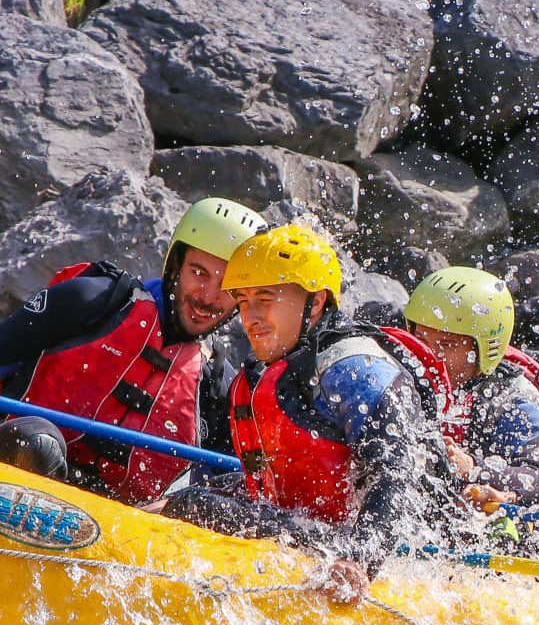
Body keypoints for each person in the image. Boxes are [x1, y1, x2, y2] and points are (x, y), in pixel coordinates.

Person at [158, 223, 450, 604]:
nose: (251, 317)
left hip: (366, 548)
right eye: (244, 302)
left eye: (265, 299)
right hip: (313, 531)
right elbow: (267, 487)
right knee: (198, 494)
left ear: (315, 303)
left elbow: (397, 474)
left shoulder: (356, 368)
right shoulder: (266, 375)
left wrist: (359, 560)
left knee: (195, 505)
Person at [0, 197, 262, 503]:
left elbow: (239, 483)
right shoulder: (93, 299)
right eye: (198, 273)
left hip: (114, 527)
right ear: (175, 265)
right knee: (38, 443)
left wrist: (176, 506)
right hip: (11, 473)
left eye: (227, 286)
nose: (207, 297)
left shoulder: (217, 384)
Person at [379, 266, 539, 507]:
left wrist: (473, 468)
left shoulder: (514, 398)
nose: (430, 354)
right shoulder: (400, 376)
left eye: (447, 344)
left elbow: (538, 477)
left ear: (484, 347)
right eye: (421, 339)